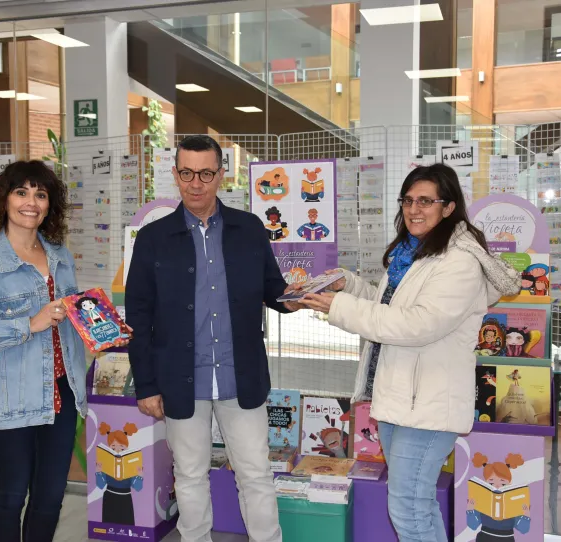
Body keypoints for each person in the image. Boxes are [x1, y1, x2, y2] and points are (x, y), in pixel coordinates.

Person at [297, 164, 521, 542]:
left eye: (425, 201)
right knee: (416, 503)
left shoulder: (460, 262)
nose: (414, 210)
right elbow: (388, 308)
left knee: (407, 506)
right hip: (400, 397)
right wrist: (346, 286)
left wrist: (338, 307)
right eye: (407, 201)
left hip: (429, 405)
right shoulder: (412, 254)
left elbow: (416, 326)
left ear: (449, 208)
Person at [125, 135, 301, 542]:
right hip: (180, 379)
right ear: (175, 175)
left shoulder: (249, 228)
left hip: (241, 377)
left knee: (255, 473)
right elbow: (139, 317)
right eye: (186, 173)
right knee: (189, 476)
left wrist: (296, 298)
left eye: (206, 173)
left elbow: (271, 289)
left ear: (222, 174)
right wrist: (147, 385)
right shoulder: (153, 239)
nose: (196, 183)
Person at [0, 160, 123, 542]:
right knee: (10, 497)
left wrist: (102, 328)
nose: (32, 202)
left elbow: (68, 323)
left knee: (49, 499)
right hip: (7, 400)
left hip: (59, 395)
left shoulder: (60, 256)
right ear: (3, 200)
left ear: (50, 204)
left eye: (40, 194)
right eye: (21, 192)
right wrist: (28, 323)